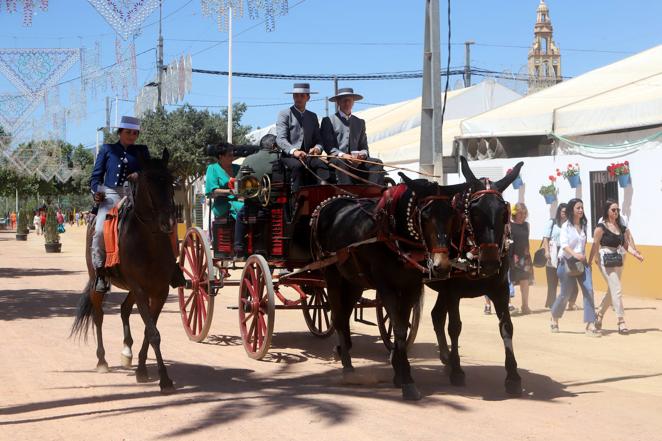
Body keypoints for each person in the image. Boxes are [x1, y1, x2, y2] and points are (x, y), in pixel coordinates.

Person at [89, 116, 150, 293]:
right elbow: (95, 177)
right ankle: (100, 272)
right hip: (111, 194)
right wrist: (96, 193)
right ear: (120, 132)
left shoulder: (141, 150)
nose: (132, 136)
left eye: (135, 133)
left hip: (135, 194)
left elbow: (148, 170)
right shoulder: (108, 149)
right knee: (100, 229)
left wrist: (139, 174)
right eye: (128, 132)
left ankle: (169, 266)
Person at [588, 199, 644, 334]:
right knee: (617, 288)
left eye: (617, 210)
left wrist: (636, 254)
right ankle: (621, 320)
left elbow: (625, 245)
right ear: (607, 211)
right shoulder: (600, 227)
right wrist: (590, 261)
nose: (616, 212)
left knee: (612, 289)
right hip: (604, 257)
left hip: (617, 259)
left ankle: (599, 315)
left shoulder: (620, 227)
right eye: (613, 210)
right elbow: (595, 245)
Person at [550, 198, 601, 337]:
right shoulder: (566, 226)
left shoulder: (584, 225)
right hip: (566, 262)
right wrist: (576, 255)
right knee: (565, 294)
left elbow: (583, 243)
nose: (581, 210)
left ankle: (590, 325)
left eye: (582, 207)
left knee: (589, 290)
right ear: (572, 209)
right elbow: (564, 245)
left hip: (582, 264)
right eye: (578, 207)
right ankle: (554, 317)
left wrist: (585, 258)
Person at [320, 87, 385, 185]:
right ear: (338, 102)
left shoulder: (360, 122)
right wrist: (343, 155)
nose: (347, 103)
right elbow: (328, 147)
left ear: (353, 102)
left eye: (349, 100)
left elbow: (364, 146)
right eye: (344, 101)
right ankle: (348, 194)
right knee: (340, 162)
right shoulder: (328, 121)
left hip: (357, 161)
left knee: (377, 163)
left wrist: (362, 155)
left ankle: (372, 193)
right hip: (338, 159)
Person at [275, 83, 330, 192]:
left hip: (308, 156)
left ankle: (322, 196)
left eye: (302, 96)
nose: (298, 98)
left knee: (322, 164)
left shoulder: (313, 116)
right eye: (296, 95)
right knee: (298, 166)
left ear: (308, 98)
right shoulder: (284, 114)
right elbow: (280, 139)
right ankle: (297, 200)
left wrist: (317, 148)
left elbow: (318, 140)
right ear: (293, 97)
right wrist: (294, 151)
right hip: (289, 156)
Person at [233, 133, 281, 255]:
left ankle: (238, 246)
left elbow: (238, 184)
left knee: (240, 216)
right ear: (275, 145)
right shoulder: (280, 158)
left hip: (253, 206)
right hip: (277, 206)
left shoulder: (249, 159)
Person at [541, 203, 572, 308]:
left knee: (567, 278)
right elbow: (546, 237)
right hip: (553, 251)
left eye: (567, 211)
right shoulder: (553, 222)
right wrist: (546, 252)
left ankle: (567, 302)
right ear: (559, 212)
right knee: (552, 280)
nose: (565, 213)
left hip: (564, 252)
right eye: (563, 211)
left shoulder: (570, 224)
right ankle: (551, 303)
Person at [509, 203, 533, 314]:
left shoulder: (527, 225)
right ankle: (508, 305)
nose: (523, 215)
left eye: (524, 213)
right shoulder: (509, 225)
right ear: (515, 213)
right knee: (509, 281)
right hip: (513, 256)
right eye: (520, 213)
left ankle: (525, 305)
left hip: (525, 257)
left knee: (525, 281)